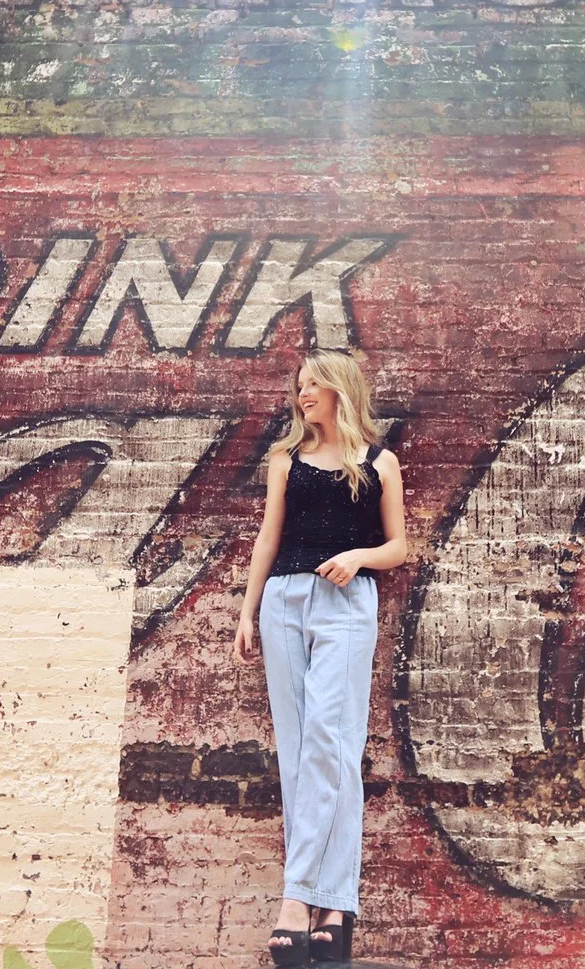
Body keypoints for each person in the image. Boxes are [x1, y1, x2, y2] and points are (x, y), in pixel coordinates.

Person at [233, 350, 411, 966]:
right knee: (299, 746)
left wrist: (360, 557)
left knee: (330, 745)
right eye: (299, 386)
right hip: (285, 599)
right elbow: (268, 535)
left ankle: (296, 900)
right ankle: (335, 908)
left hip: (346, 601)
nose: (302, 394)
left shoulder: (378, 463)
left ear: (340, 389)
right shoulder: (287, 460)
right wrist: (247, 610)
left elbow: (400, 546)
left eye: (313, 385)